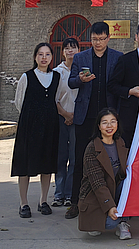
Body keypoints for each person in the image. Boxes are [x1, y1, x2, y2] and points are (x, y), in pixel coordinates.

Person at [66, 22, 124, 219]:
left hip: (108, 119)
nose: (98, 43)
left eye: (101, 39)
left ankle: (112, 203)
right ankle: (75, 202)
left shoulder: (117, 57)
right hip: (85, 116)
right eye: (94, 39)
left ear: (108, 38)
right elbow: (71, 82)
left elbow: (119, 84)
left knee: (111, 161)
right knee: (79, 160)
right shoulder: (80, 57)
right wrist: (80, 80)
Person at [11, 43, 61, 218]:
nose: (44, 58)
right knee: (25, 165)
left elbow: (57, 98)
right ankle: (23, 203)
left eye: (47, 54)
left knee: (47, 165)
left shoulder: (56, 77)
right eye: (40, 54)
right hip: (29, 126)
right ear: (35, 57)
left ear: (52, 57)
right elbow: (19, 102)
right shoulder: (27, 77)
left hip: (49, 126)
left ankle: (43, 201)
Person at [77, 108, 131, 240]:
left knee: (128, 182)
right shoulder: (92, 148)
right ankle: (111, 219)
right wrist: (110, 206)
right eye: (105, 122)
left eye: (113, 121)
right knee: (110, 223)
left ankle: (123, 222)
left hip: (114, 191)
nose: (109, 126)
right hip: (95, 196)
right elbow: (98, 183)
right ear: (99, 126)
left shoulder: (120, 142)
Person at [52, 37, 80, 208]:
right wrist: (65, 114)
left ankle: (70, 193)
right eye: (67, 48)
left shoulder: (82, 72)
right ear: (62, 52)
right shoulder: (57, 72)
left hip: (77, 119)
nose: (70, 51)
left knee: (74, 157)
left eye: (73, 47)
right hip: (61, 118)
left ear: (78, 50)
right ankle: (58, 194)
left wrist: (74, 116)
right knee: (60, 157)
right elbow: (54, 98)